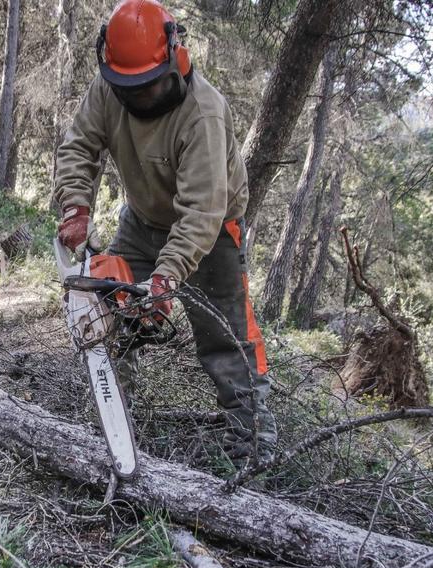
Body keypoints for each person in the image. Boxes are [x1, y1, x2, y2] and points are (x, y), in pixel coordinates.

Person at [53, 0, 277, 460]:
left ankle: (252, 447)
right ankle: (113, 418)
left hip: (211, 231)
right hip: (141, 220)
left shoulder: (203, 114)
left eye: (146, 85)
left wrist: (167, 276)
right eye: (127, 86)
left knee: (226, 338)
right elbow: (80, 145)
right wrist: (75, 206)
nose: (137, 96)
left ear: (174, 57)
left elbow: (201, 212)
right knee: (106, 316)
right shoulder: (108, 86)